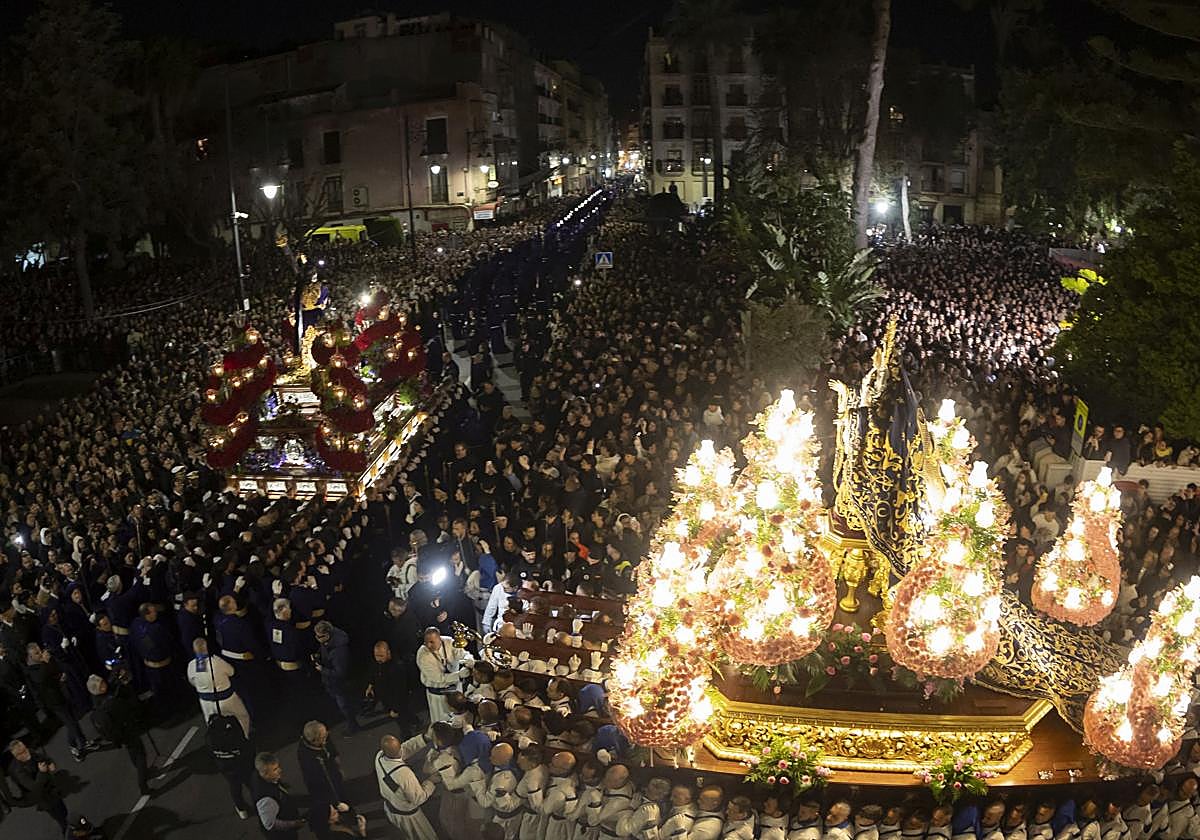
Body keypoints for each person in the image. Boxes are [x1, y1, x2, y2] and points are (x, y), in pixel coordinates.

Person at [87, 674, 155, 796]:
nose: (105, 684)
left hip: (119, 735)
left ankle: (142, 772)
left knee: (132, 751)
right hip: (127, 730)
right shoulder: (112, 703)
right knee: (140, 755)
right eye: (102, 683)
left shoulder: (97, 702)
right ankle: (143, 783)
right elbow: (129, 708)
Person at [375, 733, 438, 840]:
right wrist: (431, 781)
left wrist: (424, 738)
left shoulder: (379, 757)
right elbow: (419, 798)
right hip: (408, 817)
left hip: (392, 808)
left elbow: (405, 749)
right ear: (399, 750)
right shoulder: (404, 774)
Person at [186, 638, 251, 739]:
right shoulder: (217, 662)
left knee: (213, 724)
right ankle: (244, 739)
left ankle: (221, 743)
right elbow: (231, 671)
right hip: (227, 700)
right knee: (241, 717)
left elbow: (192, 682)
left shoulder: (191, 666)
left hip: (206, 703)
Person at [7, 739, 68, 833]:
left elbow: (44, 758)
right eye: (22, 752)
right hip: (44, 798)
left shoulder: (31, 752)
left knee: (64, 811)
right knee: (61, 818)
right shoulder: (19, 771)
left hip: (52, 789)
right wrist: (42, 773)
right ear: (17, 756)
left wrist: (51, 763)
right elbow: (34, 788)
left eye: (25, 749)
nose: (27, 752)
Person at [416, 626, 472, 724]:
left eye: (432, 642)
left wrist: (468, 659)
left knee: (460, 719)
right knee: (442, 723)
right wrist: (459, 675)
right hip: (438, 695)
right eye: (426, 642)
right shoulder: (422, 655)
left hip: (456, 689)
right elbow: (438, 678)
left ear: (439, 639)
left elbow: (462, 653)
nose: (429, 645)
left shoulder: (449, 642)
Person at [314, 621, 359, 732]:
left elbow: (340, 673)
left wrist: (322, 670)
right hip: (332, 683)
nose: (317, 639)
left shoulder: (339, 651)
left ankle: (353, 726)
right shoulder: (327, 643)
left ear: (327, 635)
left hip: (340, 684)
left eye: (319, 637)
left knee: (344, 705)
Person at [252, 751, 306, 839]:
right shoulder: (266, 800)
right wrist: (294, 824)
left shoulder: (259, 775)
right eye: (275, 769)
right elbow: (270, 824)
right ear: (265, 774)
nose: (280, 770)